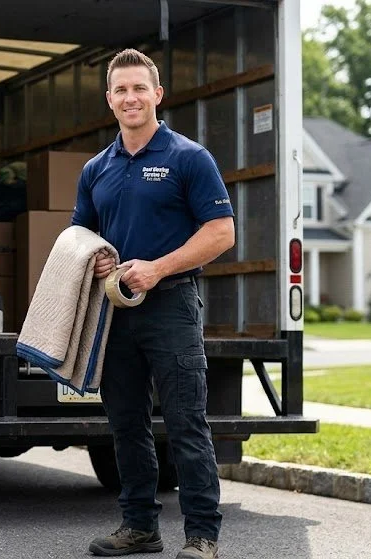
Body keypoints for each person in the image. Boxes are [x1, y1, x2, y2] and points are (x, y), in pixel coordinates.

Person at [72, 48, 236, 559]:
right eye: (121, 90)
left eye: (139, 88)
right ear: (109, 100)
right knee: (126, 425)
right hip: (116, 314)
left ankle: (202, 536)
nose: (130, 98)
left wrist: (158, 267)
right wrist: (94, 259)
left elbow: (222, 232)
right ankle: (139, 527)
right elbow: (79, 235)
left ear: (158, 95)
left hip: (171, 306)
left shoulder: (188, 157)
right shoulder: (96, 168)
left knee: (187, 422)